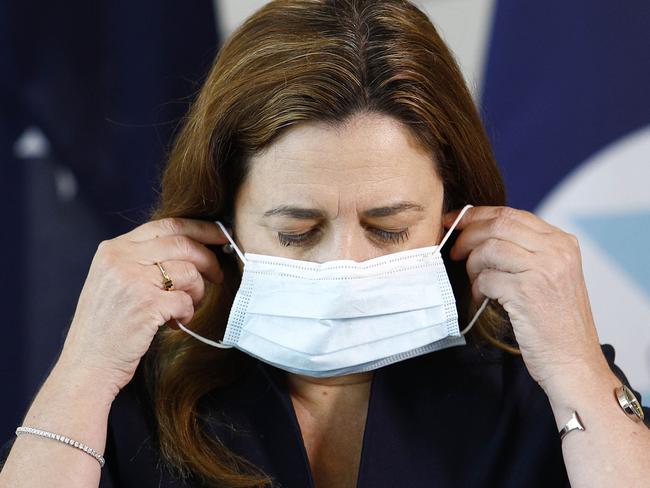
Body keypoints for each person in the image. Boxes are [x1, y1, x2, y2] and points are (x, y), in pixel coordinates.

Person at [1, 0, 649, 487]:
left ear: (457, 212)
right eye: (297, 230)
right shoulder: (142, 386)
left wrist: (581, 372)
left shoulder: (530, 375)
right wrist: (84, 371)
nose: (345, 263)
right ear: (221, 219)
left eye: (389, 226)